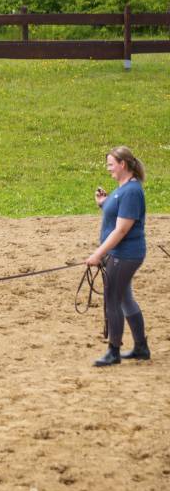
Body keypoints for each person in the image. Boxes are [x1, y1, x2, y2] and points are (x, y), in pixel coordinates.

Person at [86, 146, 150, 367]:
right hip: (121, 253)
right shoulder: (123, 188)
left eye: (111, 164)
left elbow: (122, 230)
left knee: (112, 298)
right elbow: (117, 211)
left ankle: (113, 351)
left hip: (125, 254)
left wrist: (98, 253)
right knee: (124, 298)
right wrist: (103, 203)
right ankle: (141, 347)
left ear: (123, 165)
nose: (108, 168)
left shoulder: (131, 191)